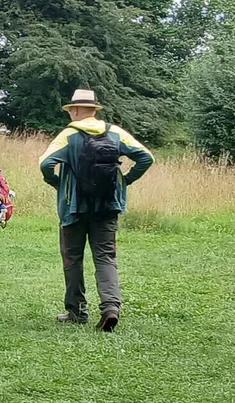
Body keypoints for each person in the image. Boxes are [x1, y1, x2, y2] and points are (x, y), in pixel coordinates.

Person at [37, 88, 154, 332]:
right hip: (107, 205)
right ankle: (111, 307)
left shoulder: (68, 135)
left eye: (71, 111)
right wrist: (126, 180)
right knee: (105, 257)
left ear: (77, 111)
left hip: (73, 208)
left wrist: (57, 183)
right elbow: (146, 157)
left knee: (72, 259)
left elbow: (46, 163)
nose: (71, 114)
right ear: (93, 111)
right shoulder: (115, 132)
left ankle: (77, 311)